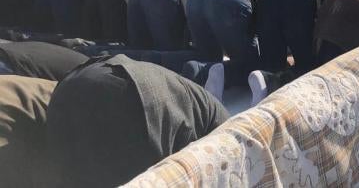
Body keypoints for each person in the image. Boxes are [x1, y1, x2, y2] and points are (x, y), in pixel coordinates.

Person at [44, 55, 228, 188]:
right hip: (133, 97)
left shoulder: (200, 108)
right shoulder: (222, 134)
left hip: (71, 85)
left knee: (72, 174)